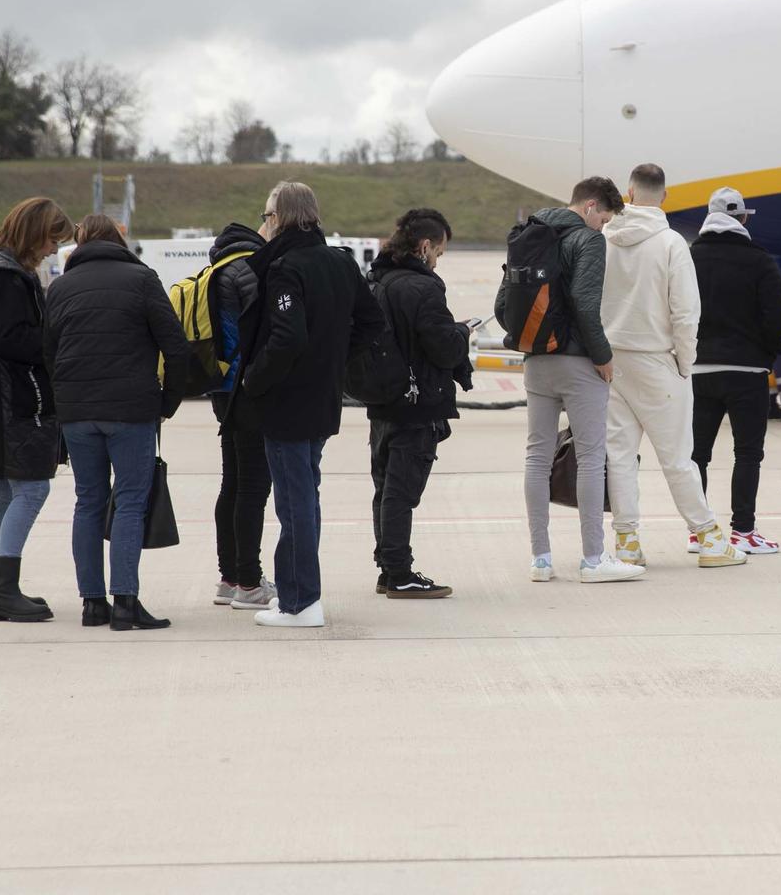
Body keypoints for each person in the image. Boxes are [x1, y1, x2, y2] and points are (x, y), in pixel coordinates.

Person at [239, 181, 386, 626]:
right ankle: (296, 593)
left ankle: (301, 601)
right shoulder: (340, 262)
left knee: (294, 501)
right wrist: (334, 360)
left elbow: (288, 337)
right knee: (305, 496)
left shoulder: (286, 267)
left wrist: (254, 377)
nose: (263, 224)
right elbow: (371, 322)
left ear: (282, 217)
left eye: (267, 215)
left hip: (288, 401)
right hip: (322, 397)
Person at [44, 214, 193, 631]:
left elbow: (48, 352)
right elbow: (176, 347)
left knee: (88, 501)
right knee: (130, 500)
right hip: (132, 409)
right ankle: (125, 602)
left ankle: (93, 604)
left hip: (77, 412)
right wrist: (168, 402)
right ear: (117, 242)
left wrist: (65, 399)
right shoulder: (143, 280)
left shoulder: (60, 287)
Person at [498, 177, 644, 583]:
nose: (603, 228)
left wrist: (527, 340)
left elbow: (502, 303)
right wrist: (603, 357)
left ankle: (541, 559)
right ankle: (593, 559)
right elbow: (584, 302)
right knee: (592, 457)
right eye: (604, 219)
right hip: (579, 364)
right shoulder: (587, 240)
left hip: (536, 362)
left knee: (537, 456)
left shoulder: (529, 234)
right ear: (591, 205)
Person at [601, 165, 748, 569]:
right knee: (678, 457)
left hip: (612, 360)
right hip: (657, 359)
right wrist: (685, 363)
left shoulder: (605, 239)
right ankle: (708, 537)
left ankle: (627, 540)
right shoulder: (670, 244)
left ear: (629, 192)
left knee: (621, 456)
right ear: (665, 196)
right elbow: (686, 313)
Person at [0, 196, 74, 624]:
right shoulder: (6, 279)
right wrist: (53, 342)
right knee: (31, 490)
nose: (51, 249)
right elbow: (8, 338)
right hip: (15, 401)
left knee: (3, 491)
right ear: (32, 234)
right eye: (50, 239)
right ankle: (4, 589)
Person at [367, 208, 473, 598]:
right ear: (425, 246)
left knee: (385, 487)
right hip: (418, 401)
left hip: (383, 399)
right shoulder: (423, 288)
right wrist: (462, 332)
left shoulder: (377, 280)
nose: (437, 260)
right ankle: (399, 572)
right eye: (439, 253)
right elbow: (442, 348)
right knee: (402, 491)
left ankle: (387, 566)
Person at [689, 186, 781, 555]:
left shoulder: (690, 257)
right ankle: (743, 531)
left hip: (698, 367)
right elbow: (779, 317)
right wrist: (766, 353)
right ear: (743, 218)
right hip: (747, 369)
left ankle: (699, 531)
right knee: (747, 453)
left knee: (696, 454)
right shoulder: (759, 259)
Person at [205, 219, 271, 609]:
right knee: (253, 486)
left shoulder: (216, 266)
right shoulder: (247, 268)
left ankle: (229, 577)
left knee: (232, 482)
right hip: (246, 389)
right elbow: (263, 329)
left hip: (220, 386)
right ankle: (249, 581)